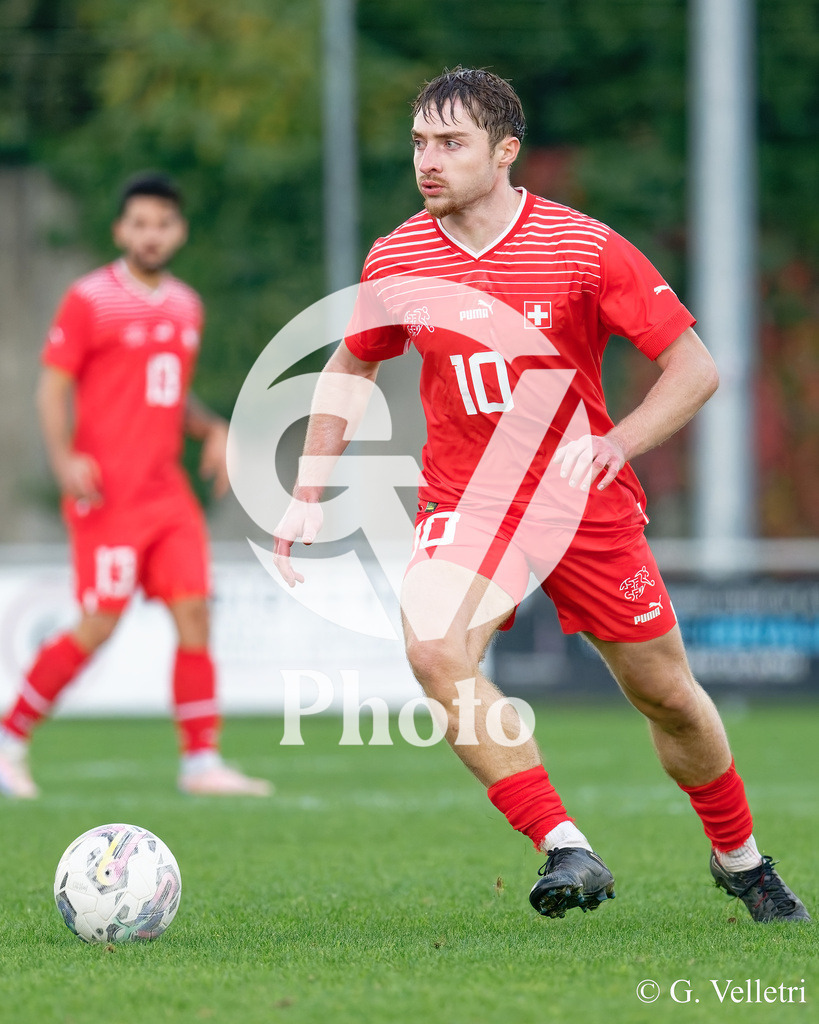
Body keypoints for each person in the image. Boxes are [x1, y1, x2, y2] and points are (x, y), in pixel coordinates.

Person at [273, 69, 809, 922]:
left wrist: (617, 442)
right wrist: (308, 488)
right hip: (470, 503)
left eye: (450, 144)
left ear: (505, 152)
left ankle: (740, 859)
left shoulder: (583, 246)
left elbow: (695, 370)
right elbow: (351, 365)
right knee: (435, 652)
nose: (428, 161)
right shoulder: (398, 256)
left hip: (582, 505)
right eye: (419, 142)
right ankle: (564, 844)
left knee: (666, 696)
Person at [0, 172, 271, 799]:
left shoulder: (186, 305)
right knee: (98, 623)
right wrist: (64, 456)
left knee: (195, 613)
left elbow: (167, 396)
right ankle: (10, 740)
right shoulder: (91, 298)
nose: (151, 235)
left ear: (179, 232)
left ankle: (201, 762)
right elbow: (52, 386)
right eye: (140, 224)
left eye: (163, 224)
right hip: (106, 493)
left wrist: (211, 428)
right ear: (121, 230)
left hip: (166, 493)